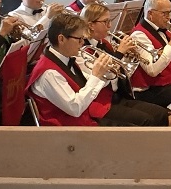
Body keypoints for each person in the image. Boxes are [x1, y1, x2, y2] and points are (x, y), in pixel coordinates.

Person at [28, 12, 164, 126]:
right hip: (70, 131)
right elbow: (75, 108)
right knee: (140, 126)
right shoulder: (49, 73)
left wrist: (104, 73)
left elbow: (88, 85)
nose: (82, 43)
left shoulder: (64, 58)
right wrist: (96, 76)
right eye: (79, 39)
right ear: (61, 39)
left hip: (84, 118)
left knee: (158, 115)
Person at [81, 1, 169, 126]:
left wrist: (131, 57)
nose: (110, 26)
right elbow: (104, 77)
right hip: (101, 103)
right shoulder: (83, 51)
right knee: (146, 120)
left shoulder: (105, 43)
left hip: (119, 96)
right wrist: (120, 53)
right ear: (91, 25)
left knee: (161, 114)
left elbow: (122, 73)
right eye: (105, 22)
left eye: (110, 21)